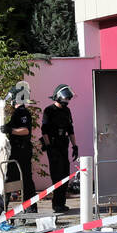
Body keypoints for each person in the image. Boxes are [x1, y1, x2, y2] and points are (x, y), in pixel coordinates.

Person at [0, 92, 35, 213]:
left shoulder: (22, 112)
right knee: (10, 178)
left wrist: (10, 130)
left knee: (25, 179)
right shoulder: (17, 113)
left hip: (22, 150)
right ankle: (2, 206)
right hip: (16, 149)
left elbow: (25, 130)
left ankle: (29, 208)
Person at [41, 84, 78, 213]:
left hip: (63, 145)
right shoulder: (49, 110)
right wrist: (49, 147)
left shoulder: (67, 111)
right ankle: (56, 204)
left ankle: (62, 203)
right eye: (65, 99)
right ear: (58, 97)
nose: (67, 101)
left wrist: (75, 146)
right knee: (56, 176)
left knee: (65, 174)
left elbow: (70, 129)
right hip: (53, 145)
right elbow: (44, 130)